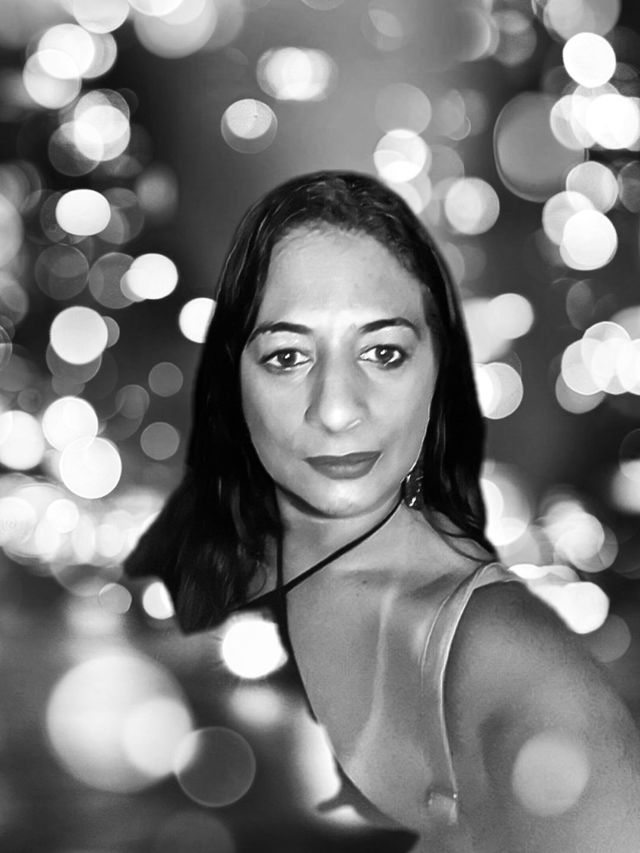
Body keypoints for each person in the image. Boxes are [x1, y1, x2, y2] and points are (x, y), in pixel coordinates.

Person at [126, 170, 640, 852]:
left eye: (384, 352)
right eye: (288, 355)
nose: (337, 408)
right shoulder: (296, 582)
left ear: (438, 374)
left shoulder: (510, 669)